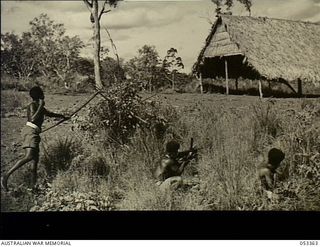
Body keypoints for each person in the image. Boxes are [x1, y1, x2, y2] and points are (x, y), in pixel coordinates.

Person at [1, 86, 68, 192]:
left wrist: (63, 116)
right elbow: (32, 119)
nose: (44, 95)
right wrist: (41, 106)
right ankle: (6, 175)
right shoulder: (33, 105)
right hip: (30, 132)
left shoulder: (39, 106)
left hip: (35, 133)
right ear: (40, 95)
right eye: (42, 93)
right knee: (29, 156)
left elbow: (50, 114)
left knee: (35, 162)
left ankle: (33, 187)